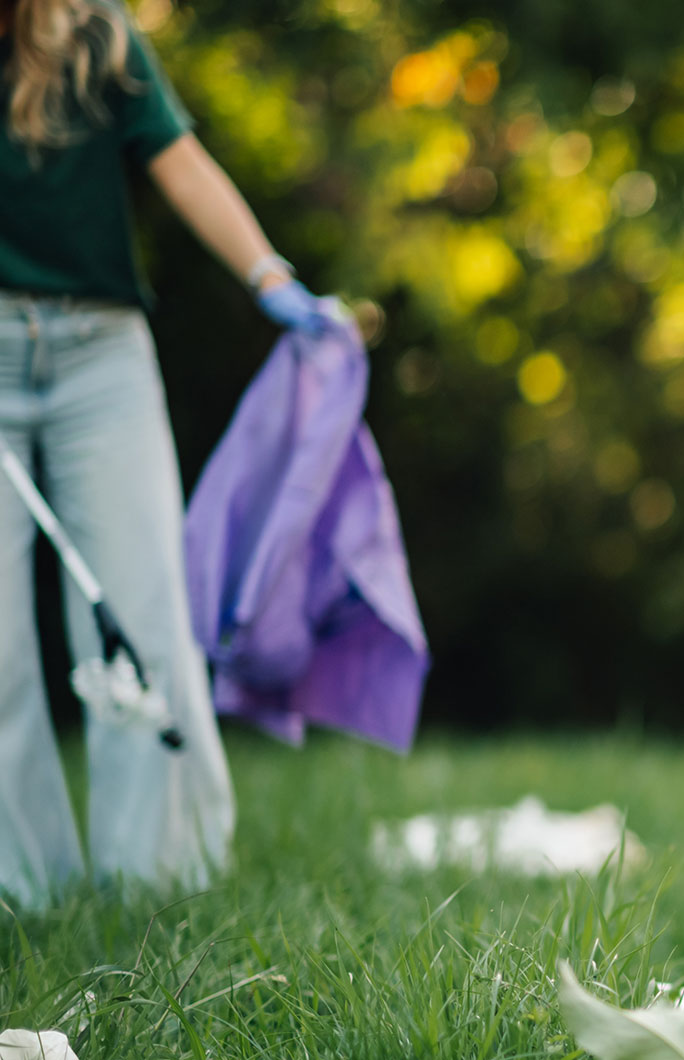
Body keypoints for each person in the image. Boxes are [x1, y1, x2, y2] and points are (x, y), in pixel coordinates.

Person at [0, 0, 334, 907]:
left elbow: (179, 162)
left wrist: (272, 278)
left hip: (99, 353)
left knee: (146, 613)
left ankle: (160, 884)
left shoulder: (96, 35)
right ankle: (19, 890)